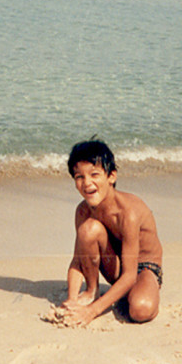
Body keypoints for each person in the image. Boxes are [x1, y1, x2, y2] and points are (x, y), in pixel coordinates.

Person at [58, 139, 163, 326]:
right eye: (79, 177)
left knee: (141, 310)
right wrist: (72, 300)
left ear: (111, 177)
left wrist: (91, 312)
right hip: (116, 265)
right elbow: (77, 260)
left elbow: (130, 275)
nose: (87, 183)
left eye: (94, 174)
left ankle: (134, 292)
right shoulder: (83, 211)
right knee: (89, 229)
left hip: (143, 268)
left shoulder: (127, 213)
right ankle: (92, 291)